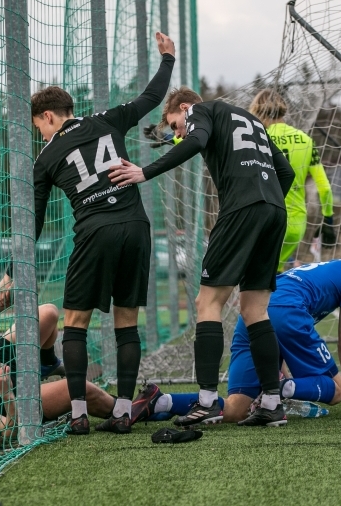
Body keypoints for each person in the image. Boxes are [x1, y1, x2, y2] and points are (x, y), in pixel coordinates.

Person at [0, 31, 176, 436]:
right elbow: (150, 99)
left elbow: (33, 220)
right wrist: (167, 59)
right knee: (126, 323)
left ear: (48, 117)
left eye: (39, 127)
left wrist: (13, 270)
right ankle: (124, 412)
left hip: (94, 230)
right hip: (135, 226)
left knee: (75, 323)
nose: (41, 135)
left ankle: (79, 414)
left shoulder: (44, 159)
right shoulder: (107, 119)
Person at [109, 87, 296, 427]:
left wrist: (144, 172)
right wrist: (265, 201)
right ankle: (271, 401)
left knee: (206, 302)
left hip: (243, 210)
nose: (179, 132)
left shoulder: (201, 111)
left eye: (175, 124)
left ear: (184, 108)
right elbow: (287, 173)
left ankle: (208, 401)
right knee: (255, 309)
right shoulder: (252, 119)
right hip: (274, 211)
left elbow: (195, 142)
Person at [131, 250, 341, 426]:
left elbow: (281, 340)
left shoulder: (324, 271)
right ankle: (280, 392)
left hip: (253, 313)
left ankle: (160, 400)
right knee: (336, 391)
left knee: (235, 410)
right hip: (287, 312)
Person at [0, 302, 115, 435]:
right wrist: (6, 392)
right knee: (80, 390)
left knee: (48, 313)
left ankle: (46, 365)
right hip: (10, 398)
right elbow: (10, 428)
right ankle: (127, 409)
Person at [249, 89, 335, 272]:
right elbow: (325, 188)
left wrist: (178, 141)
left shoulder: (256, 137)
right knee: (275, 278)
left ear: (257, 111)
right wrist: (328, 219)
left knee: (254, 284)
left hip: (265, 221)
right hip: (295, 224)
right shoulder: (305, 139)